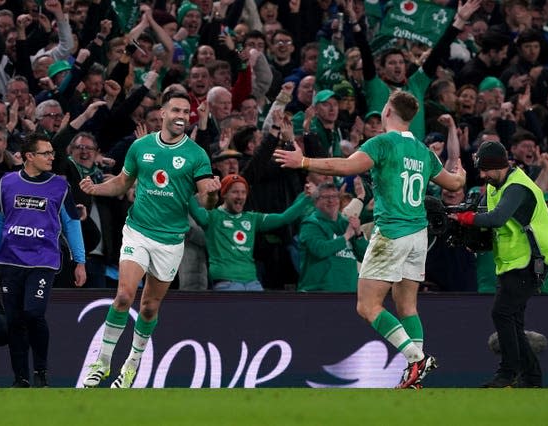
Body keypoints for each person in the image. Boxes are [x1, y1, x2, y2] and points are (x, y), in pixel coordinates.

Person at [274, 90, 467, 388]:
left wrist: (303, 162)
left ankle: (416, 359)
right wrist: (462, 175)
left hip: (392, 232)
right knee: (407, 307)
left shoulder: (382, 143)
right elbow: (453, 183)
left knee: (367, 306)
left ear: (388, 112)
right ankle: (413, 376)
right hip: (418, 235)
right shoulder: (423, 152)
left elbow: (347, 166)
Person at [79, 90, 220, 388]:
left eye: (186, 112)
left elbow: (207, 201)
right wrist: (96, 189)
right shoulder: (140, 147)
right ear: (164, 113)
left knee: (148, 307)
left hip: (170, 241)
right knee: (124, 296)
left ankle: (132, 364)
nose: (182, 116)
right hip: (138, 231)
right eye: (176, 111)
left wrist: (213, 193)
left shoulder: (196, 154)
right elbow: (121, 183)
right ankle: (102, 362)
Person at [0, 133, 87, 388]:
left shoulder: (60, 187)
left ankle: (41, 370)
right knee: (14, 320)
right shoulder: (7, 183)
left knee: (33, 313)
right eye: (46, 153)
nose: (52, 157)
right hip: (10, 260)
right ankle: (21, 378)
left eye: (52, 152)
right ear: (29, 156)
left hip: (43, 261)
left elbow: (72, 224)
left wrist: (79, 261)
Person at [451, 140, 548, 388]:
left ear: (499, 166)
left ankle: (507, 373)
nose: (483, 175)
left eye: (486, 170)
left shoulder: (517, 187)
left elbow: (497, 218)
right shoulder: (495, 185)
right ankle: (531, 378)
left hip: (531, 262)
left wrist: (464, 217)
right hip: (512, 262)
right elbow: (493, 225)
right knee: (512, 319)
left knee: (501, 313)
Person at [189, 173, 312, 291]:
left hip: (253, 282)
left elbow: (284, 218)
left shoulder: (252, 218)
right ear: (224, 194)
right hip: (226, 282)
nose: (240, 196)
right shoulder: (212, 217)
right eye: (235, 192)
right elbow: (193, 207)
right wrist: (182, 185)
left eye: (243, 192)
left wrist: (306, 198)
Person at [298, 182, 368, 292]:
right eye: (325, 197)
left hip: (349, 291)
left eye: (334, 196)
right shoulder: (310, 224)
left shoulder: (346, 223)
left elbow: (365, 257)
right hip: (318, 292)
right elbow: (320, 250)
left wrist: (358, 233)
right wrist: (346, 236)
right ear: (316, 202)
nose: (331, 201)